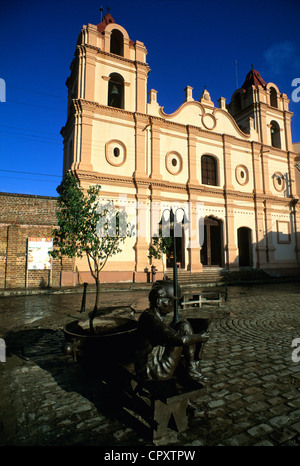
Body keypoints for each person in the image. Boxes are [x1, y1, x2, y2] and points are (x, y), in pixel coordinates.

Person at [134, 281, 209, 384]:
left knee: (184, 325)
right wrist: (200, 337)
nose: (172, 306)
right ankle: (191, 368)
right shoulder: (151, 319)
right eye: (170, 301)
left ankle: (191, 367)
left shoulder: (150, 315)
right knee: (183, 330)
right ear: (159, 302)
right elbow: (180, 339)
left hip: (152, 364)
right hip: (154, 370)